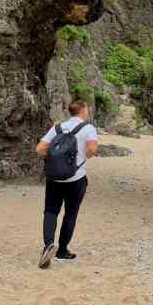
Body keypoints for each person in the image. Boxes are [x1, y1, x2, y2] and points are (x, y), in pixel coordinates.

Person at [35, 100, 98, 269]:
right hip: (76, 178)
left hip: (54, 178)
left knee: (50, 211)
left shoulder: (57, 128)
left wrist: (56, 158)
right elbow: (92, 149)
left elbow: (39, 149)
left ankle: (48, 244)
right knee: (70, 213)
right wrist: (82, 156)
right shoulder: (88, 128)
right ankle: (62, 250)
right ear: (83, 111)